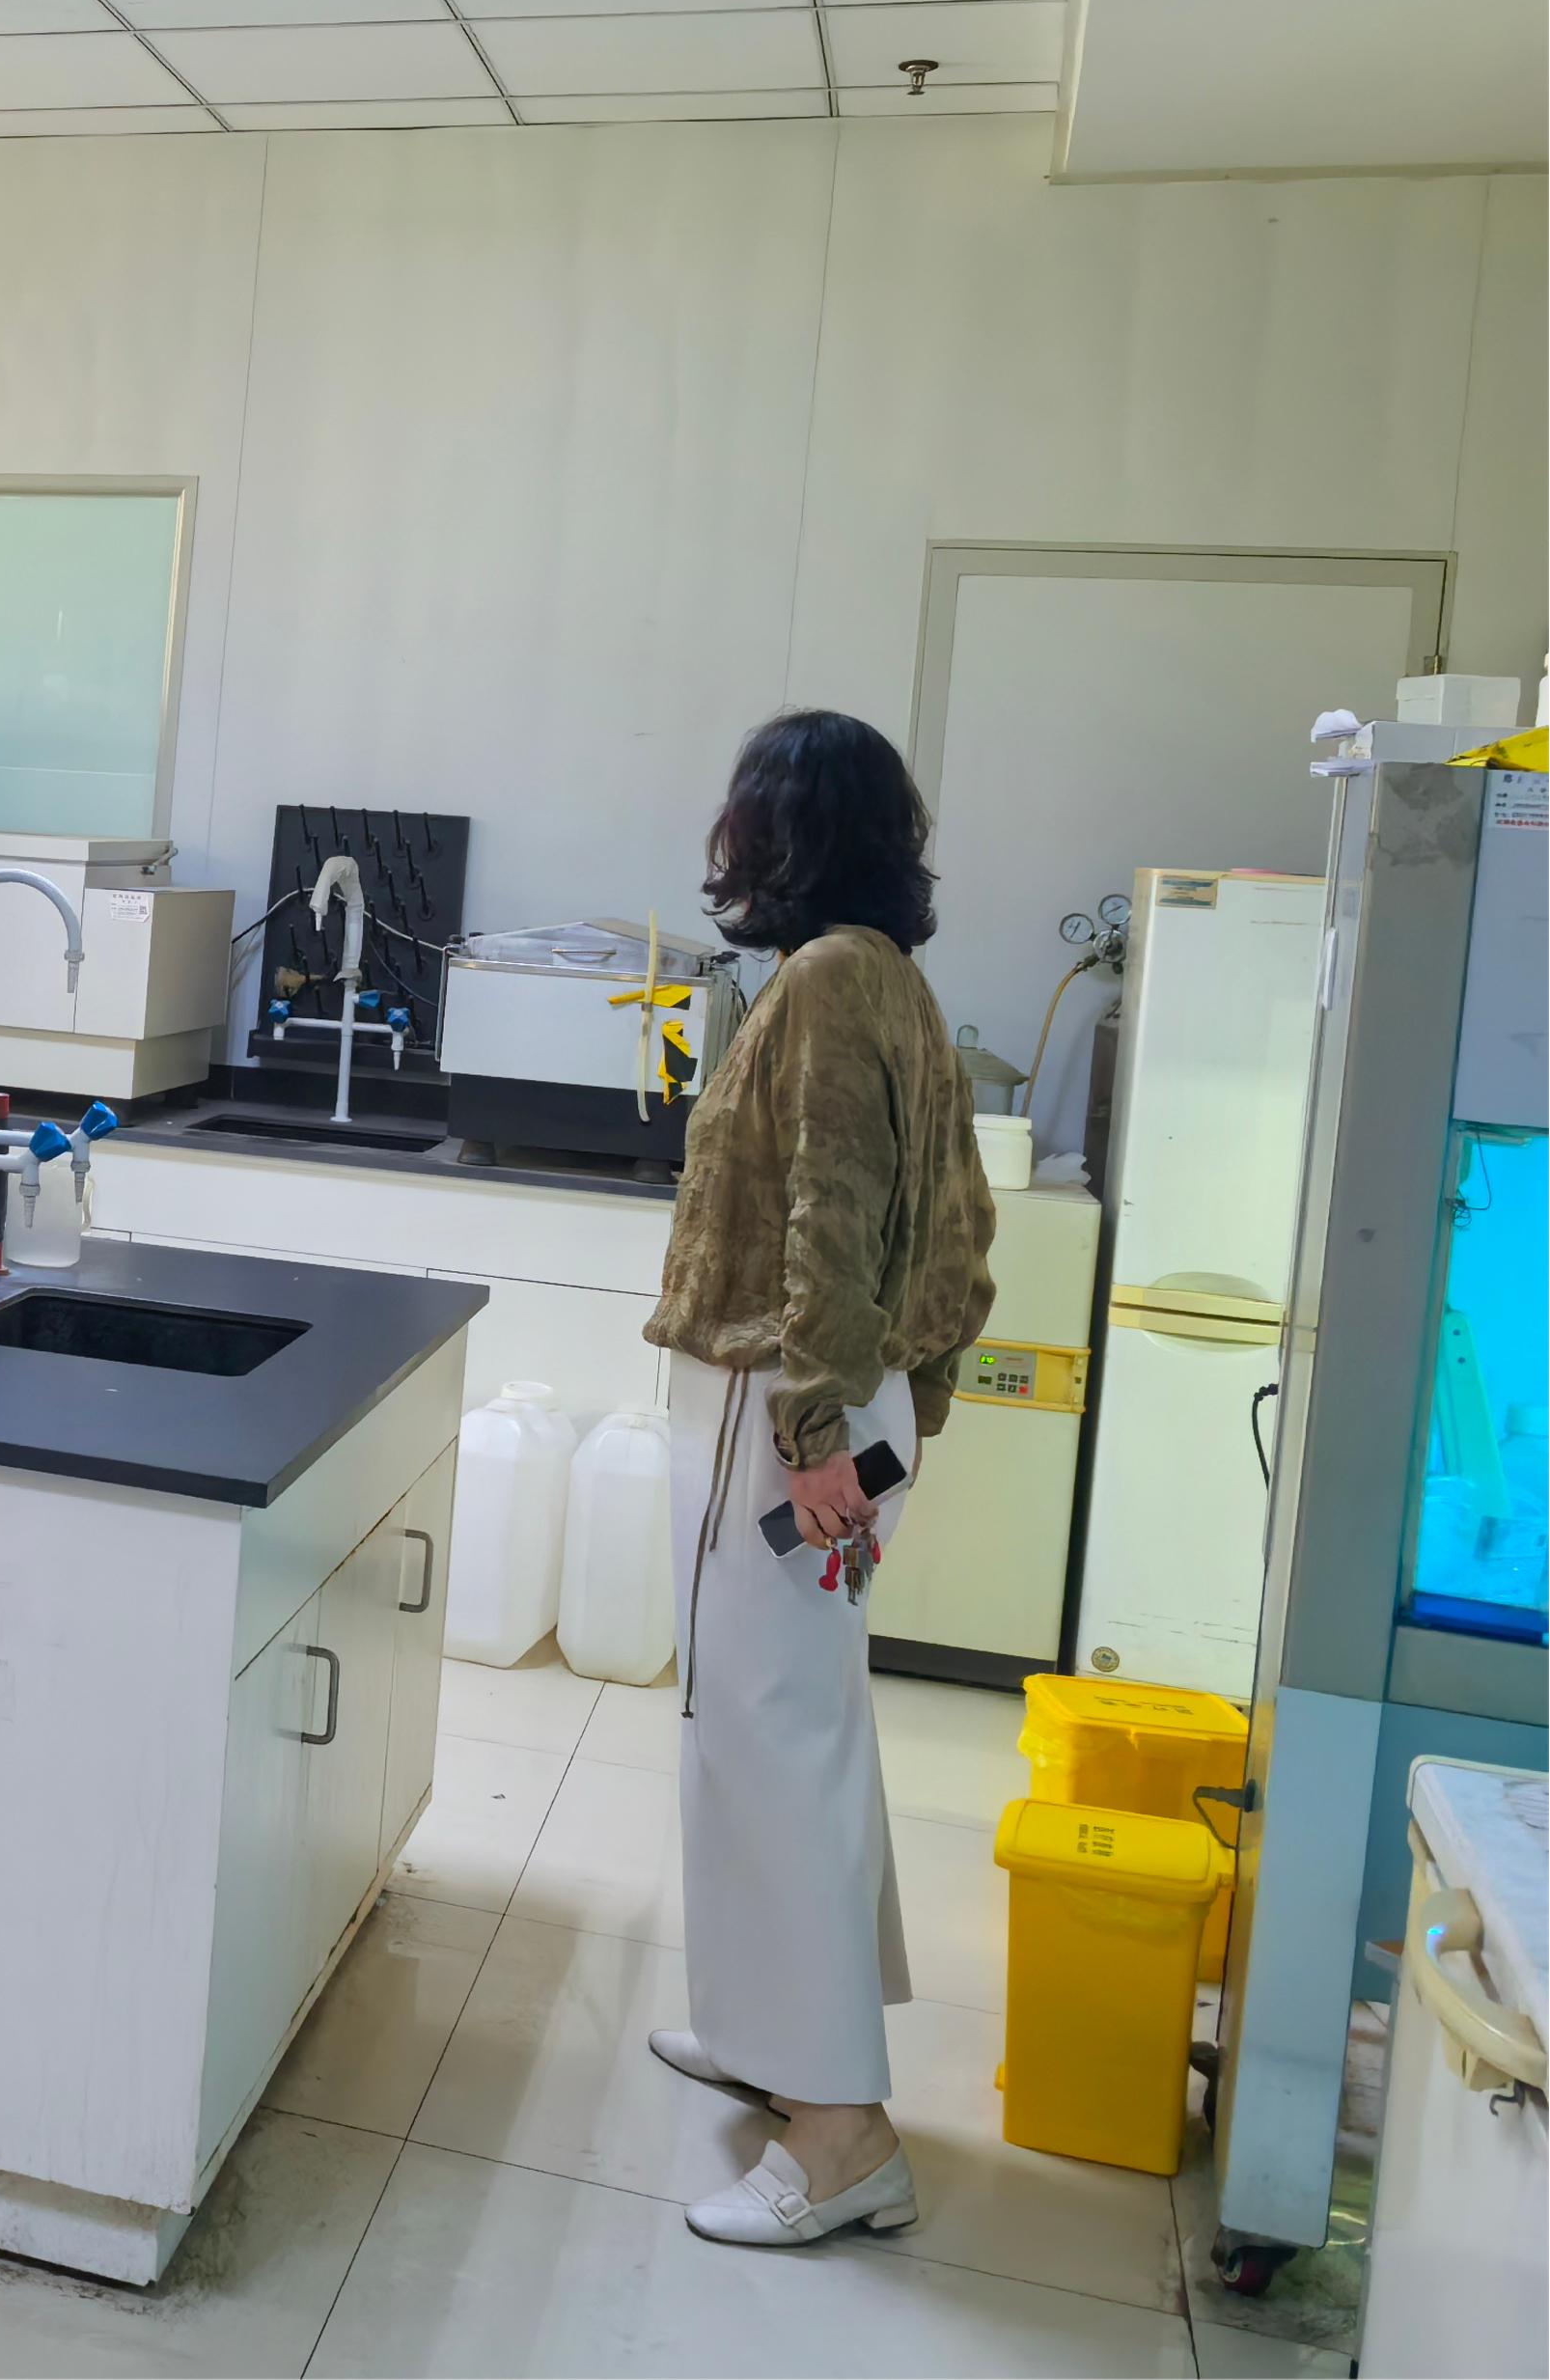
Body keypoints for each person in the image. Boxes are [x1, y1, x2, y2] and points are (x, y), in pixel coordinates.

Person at [641, 707, 996, 2248]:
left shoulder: (830, 980)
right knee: (778, 1728)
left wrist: (815, 1432)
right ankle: (770, 2030)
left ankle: (842, 2134)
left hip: (785, 1411)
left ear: (779, 829)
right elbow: (961, 1223)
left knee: (772, 1738)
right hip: (832, 1406)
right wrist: (904, 1402)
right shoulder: (886, 976)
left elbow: (830, 1215)